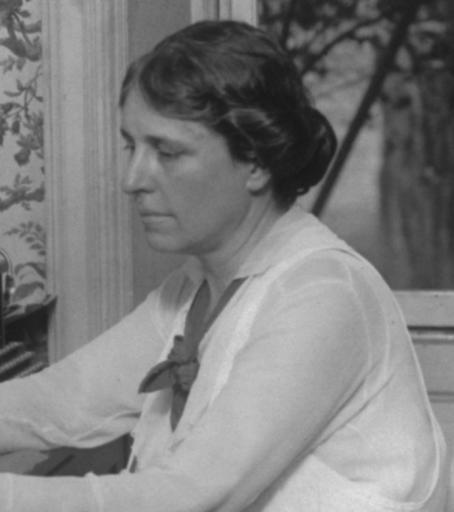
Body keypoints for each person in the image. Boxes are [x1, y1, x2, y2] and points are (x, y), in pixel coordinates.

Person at [0, 19, 448, 512]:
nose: (133, 179)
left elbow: (191, 495)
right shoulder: (192, 291)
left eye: (167, 152)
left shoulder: (324, 294)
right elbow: (61, 400)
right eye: (132, 146)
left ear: (254, 162)